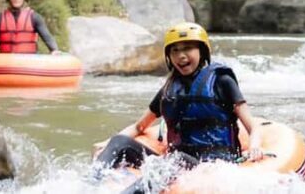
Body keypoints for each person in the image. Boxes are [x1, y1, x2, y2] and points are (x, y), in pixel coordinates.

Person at [95, 23, 264, 186]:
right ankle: (89, 184)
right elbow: (139, 127)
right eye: (175, 50)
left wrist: (255, 147)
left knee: (175, 160)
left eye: (187, 48)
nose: (181, 55)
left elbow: (252, 126)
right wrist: (108, 144)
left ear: (202, 51)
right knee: (119, 143)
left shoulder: (222, 81)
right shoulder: (169, 90)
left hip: (213, 164)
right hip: (174, 161)